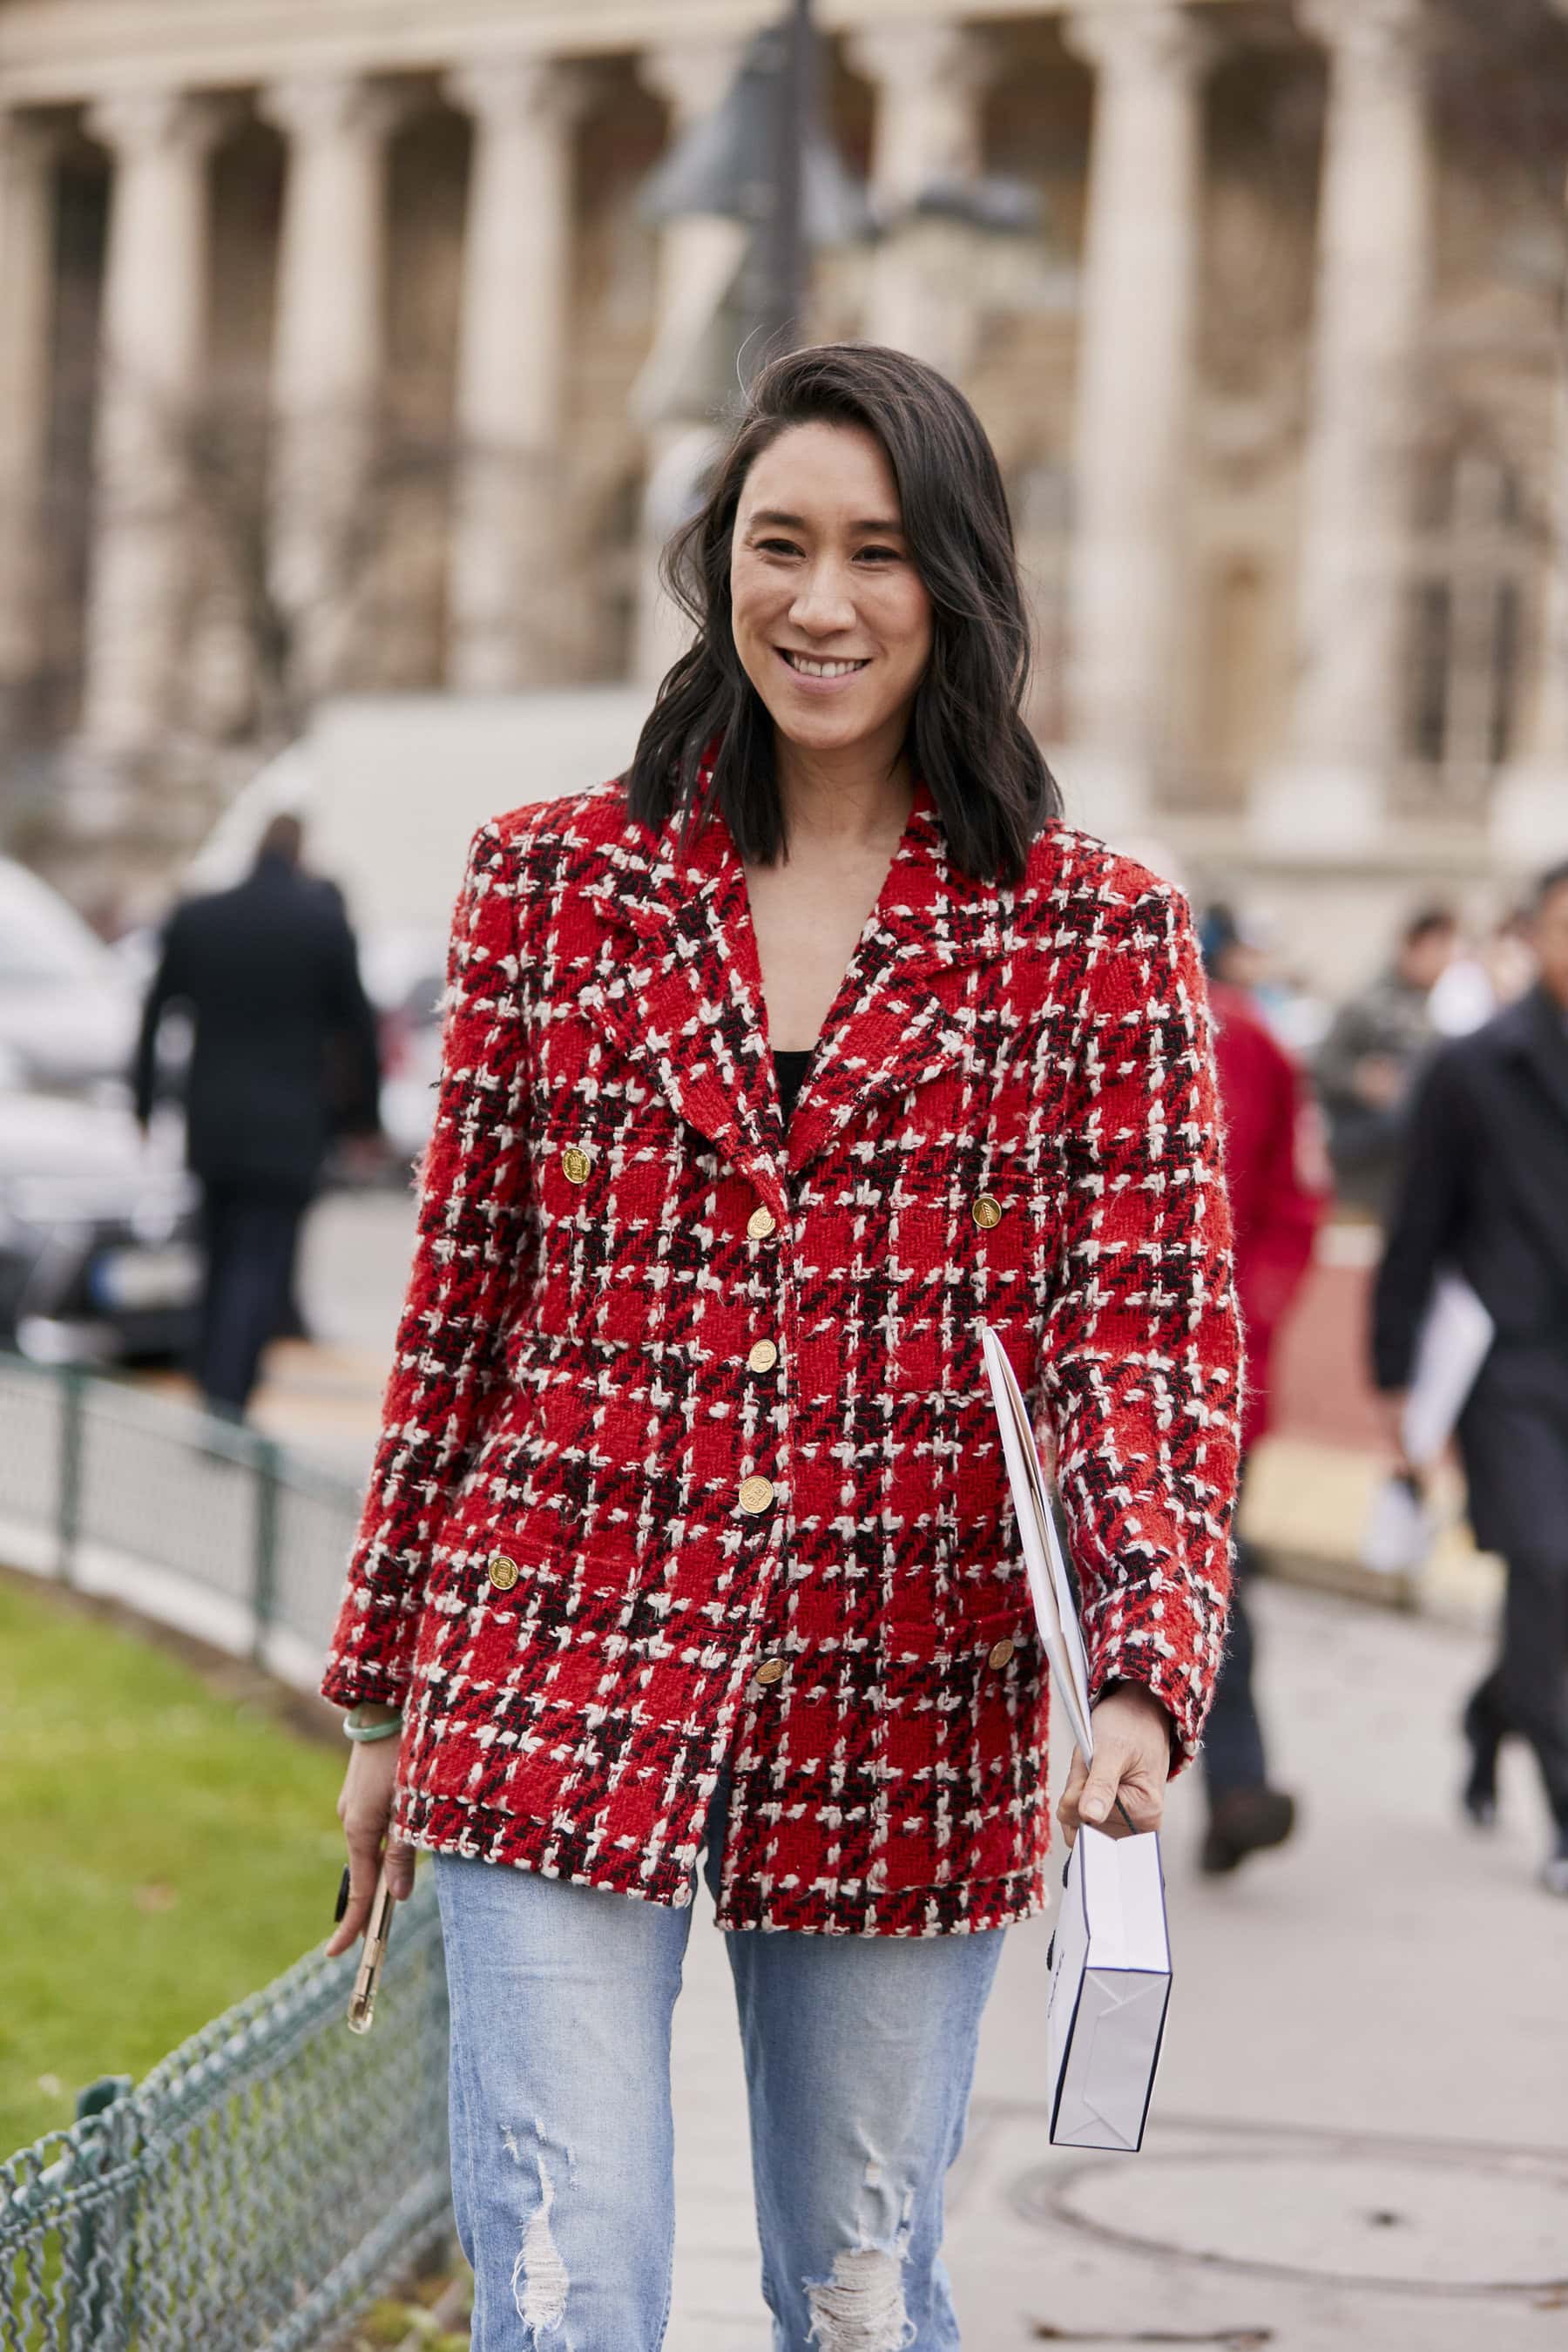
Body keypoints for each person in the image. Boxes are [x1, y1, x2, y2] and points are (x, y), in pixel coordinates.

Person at [321, 344, 1242, 2351]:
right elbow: (461, 1305)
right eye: (778, 545)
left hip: (912, 1686)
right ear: (716, 565)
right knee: (566, 2285)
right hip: (556, 1646)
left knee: (854, 2280)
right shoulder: (553, 881)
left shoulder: (1093, 934)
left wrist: (1145, 1663)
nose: (820, 602)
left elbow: (1140, 1336)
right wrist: (387, 1688)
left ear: (963, 587)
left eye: (881, 554)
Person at [1373, 860, 1568, 1899]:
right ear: (1534, 935)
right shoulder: (1472, 1068)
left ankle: (1491, 1713)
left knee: (1557, 1587)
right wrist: (1396, 1377)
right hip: (1509, 1363)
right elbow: (1417, 1226)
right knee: (1542, 1562)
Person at [132, 814, 381, 1418]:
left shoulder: (200, 917)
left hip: (212, 1121)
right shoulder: (322, 923)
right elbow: (360, 1030)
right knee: (261, 1260)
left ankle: (209, 1374)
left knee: (216, 1254)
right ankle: (229, 1392)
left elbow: (154, 1013)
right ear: (301, 854)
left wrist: (142, 1100)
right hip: (290, 1126)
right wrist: (362, 1120)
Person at [1200, 910, 1328, 1873]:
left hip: (1216, 1381)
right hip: (1035, 1382)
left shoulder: (1256, 1047)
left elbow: (1296, 1198)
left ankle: (1237, 1786)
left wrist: (1248, 1318)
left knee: (1206, 1574)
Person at [1315, 905, 1457, 1220]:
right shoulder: (1366, 1004)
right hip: (1362, 1166)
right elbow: (1320, 1065)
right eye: (1437, 949)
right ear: (1411, 947)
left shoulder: (1432, 1007)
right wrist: (1360, 1078)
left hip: (1406, 1167)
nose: (1445, 962)